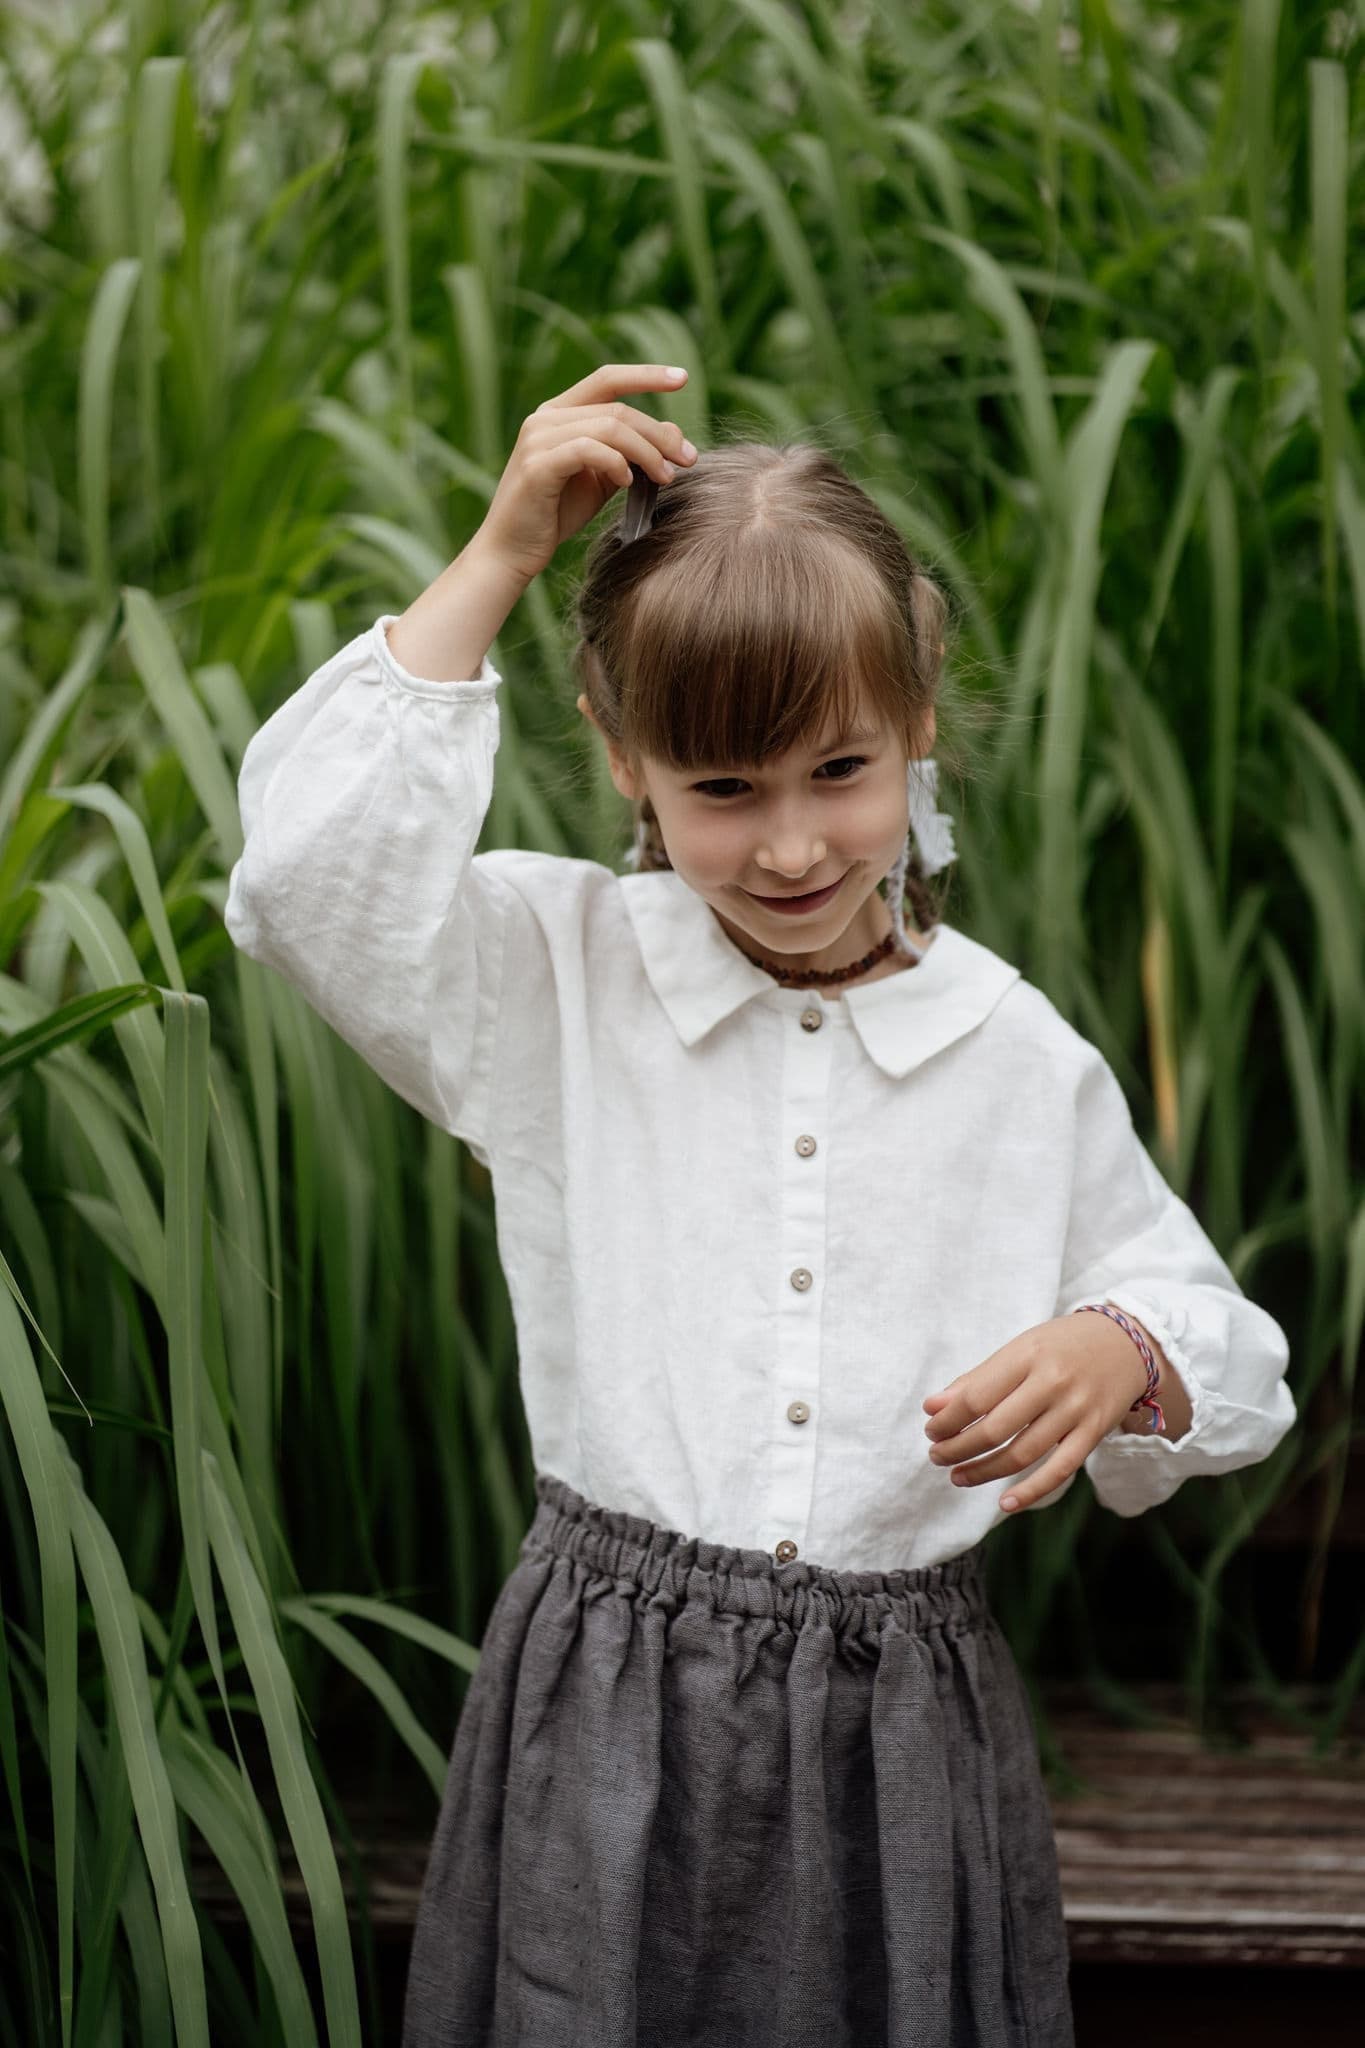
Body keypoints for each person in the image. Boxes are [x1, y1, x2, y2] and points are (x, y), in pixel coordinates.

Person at [223, 363, 1296, 2048]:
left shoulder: (1010, 1055)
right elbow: (303, 879)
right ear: (623, 758)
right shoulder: (553, 976)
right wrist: (504, 548)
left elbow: (1230, 1349)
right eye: (723, 789)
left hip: (898, 1737)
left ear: (918, 721)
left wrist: (1125, 1344)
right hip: (607, 1701)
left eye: (837, 772)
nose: (791, 846)